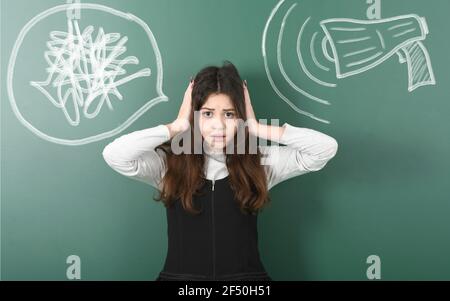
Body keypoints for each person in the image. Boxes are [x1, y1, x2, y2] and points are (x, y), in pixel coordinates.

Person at [102, 61, 338, 281]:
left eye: (229, 114)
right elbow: (115, 155)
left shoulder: (259, 162)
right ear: (193, 115)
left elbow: (325, 149)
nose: (219, 125)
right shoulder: (169, 163)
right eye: (207, 113)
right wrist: (177, 126)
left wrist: (256, 127)